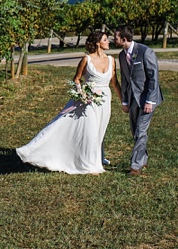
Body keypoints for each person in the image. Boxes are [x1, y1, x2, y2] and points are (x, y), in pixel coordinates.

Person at [16, 31, 122, 174]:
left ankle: (94, 159)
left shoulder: (111, 60)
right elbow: (77, 78)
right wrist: (82, 94)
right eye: (105, 39)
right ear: (98, 43)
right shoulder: (86, 60)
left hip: (105, 100)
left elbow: (115, 83)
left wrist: (123, 102)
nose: (108, 41)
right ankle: (88, 165)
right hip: (89, 100)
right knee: (89, 131)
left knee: (99, 131)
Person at [115, 26, 164, 176]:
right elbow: (124, 79)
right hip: (132, 99)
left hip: (147, 98)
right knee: (135, 131)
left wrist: (150, 100)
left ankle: (135, 166)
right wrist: (124, 101)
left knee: (141, 131)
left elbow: (153, 77)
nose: (114, 40)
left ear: (124, 39)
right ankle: (143, 160)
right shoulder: (122, 55)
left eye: (116, 37)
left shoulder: (145, 51)